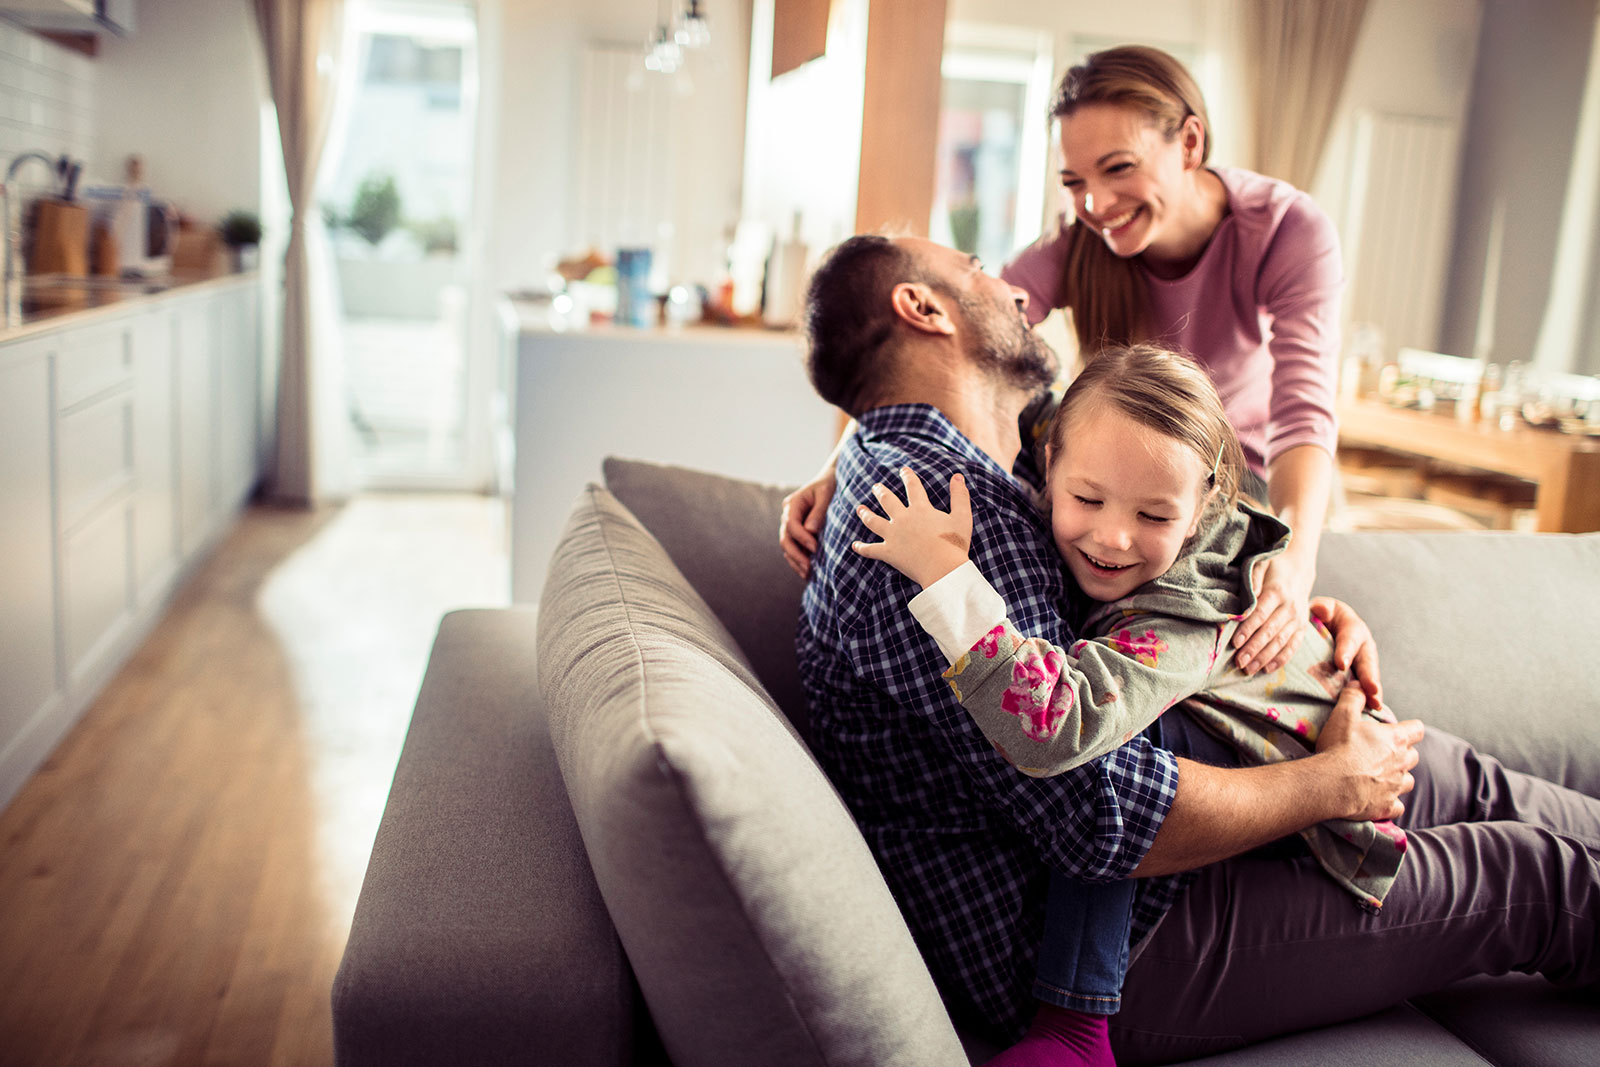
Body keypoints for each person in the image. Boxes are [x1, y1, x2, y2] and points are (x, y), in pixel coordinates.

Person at [794, 231, 1600, 1064]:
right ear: (923, 307)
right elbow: (1097, 813)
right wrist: (1332, 782)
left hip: (1236, 751)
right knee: (1532, 876)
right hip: (1124, 941)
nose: (1012, 288)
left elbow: (1184, 513)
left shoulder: (997, 458)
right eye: (974, 270)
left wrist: (1279, 604)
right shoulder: (927, 518)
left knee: (1480, 784)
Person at [850, 343, 1409, 1065]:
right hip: (1290, 718)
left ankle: (1074, 1026)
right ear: (1049, 462)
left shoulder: (1179, 619)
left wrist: (947, 575)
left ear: (1205, 504)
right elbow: (981, 406)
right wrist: (840, 463)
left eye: (1153, 514)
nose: (1111, 537)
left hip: (1320, 791)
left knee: (1119, 745)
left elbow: (1058, 726)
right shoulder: (1079, 443)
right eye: (1087, 499)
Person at [785, 44, 1340, 683]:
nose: (1097, 204)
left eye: (1118, 169)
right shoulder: (1078, 243)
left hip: (1229, 482)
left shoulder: (1286, 230)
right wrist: (852, 447)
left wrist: (1295, 559)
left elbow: (1305, 413)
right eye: (1075, 183)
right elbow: (962, 335)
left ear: (1190, 142)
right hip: (1112, 466)